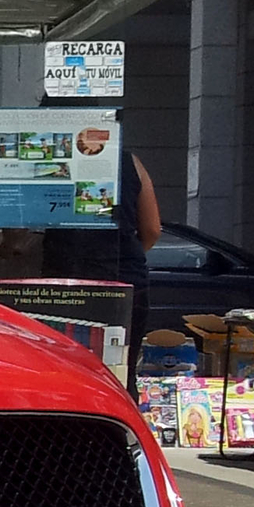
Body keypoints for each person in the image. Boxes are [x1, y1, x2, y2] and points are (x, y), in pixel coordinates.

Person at [115, 151, 162, 382]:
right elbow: (152, 230)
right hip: (126, 277)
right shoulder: (130, 161)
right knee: (123, 370)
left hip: (58, 280)